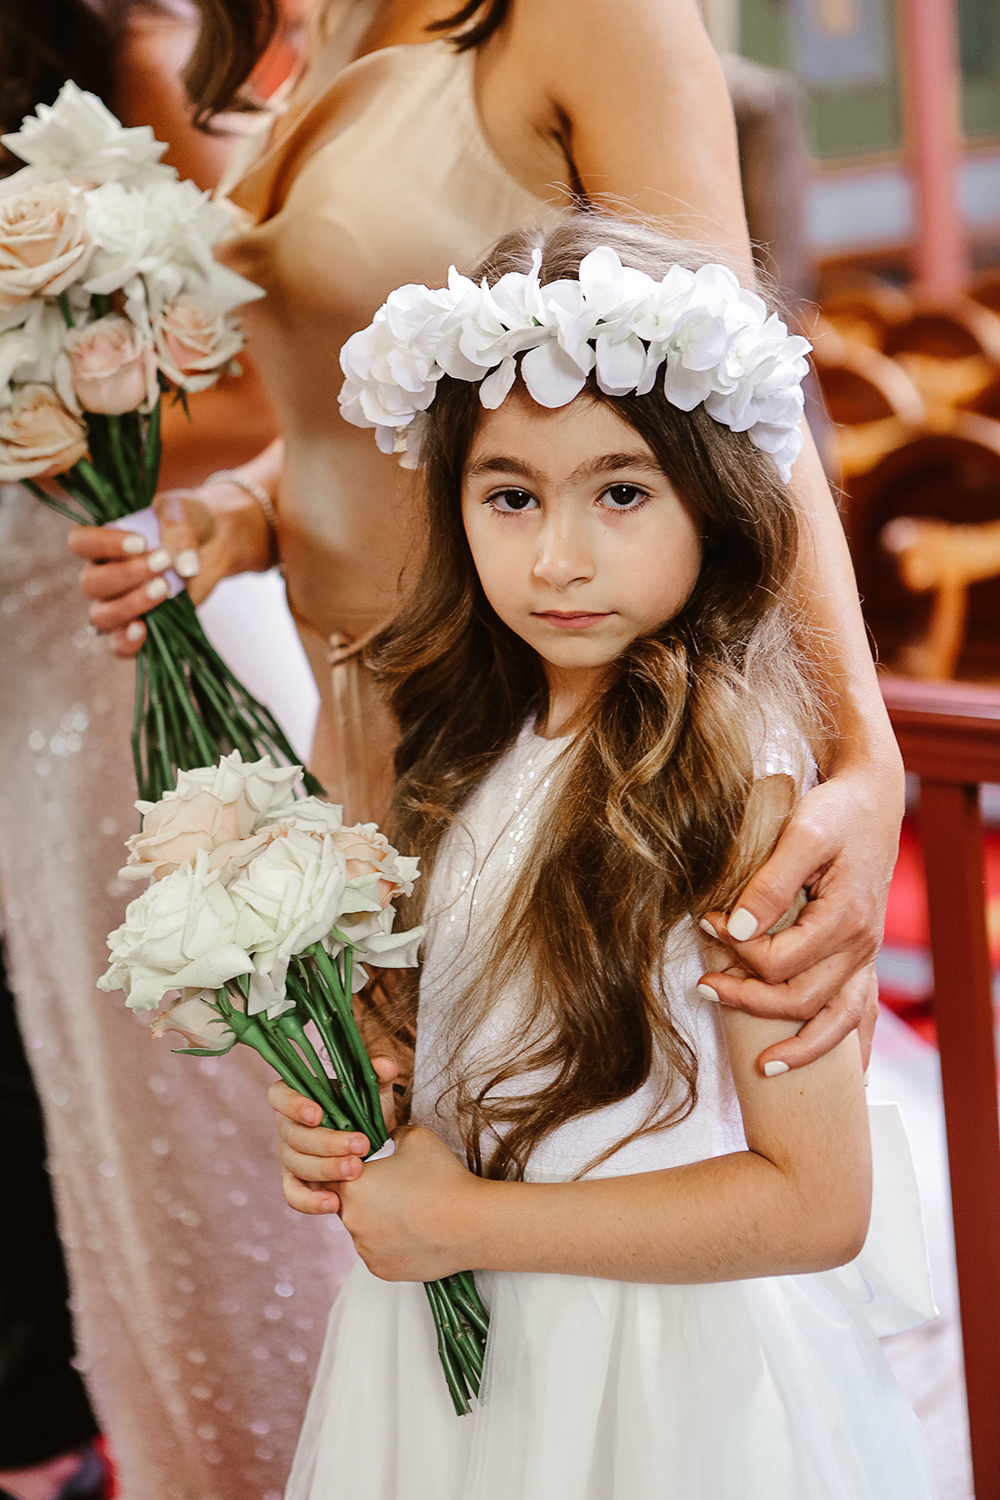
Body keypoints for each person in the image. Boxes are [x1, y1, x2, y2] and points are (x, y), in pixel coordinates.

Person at [72, 0, 902, 1081]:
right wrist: (246, 509)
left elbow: (733, 391)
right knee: (411, 1181)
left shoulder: (592, 19)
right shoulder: (333, 25)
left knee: (578, 1159)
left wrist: (861, 759)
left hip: (541, 721)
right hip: (366, 720)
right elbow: (408, 399)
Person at [268, 217, 936, 1499]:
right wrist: (357, 1109)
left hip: (658, 1379)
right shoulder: (462, 738)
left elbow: (815, 1205)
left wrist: (470, 1221)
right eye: (510, 496)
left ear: (717, 501)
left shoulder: (741, 785)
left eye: (620, 493)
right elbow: (464, 1054)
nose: (558, 558)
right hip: (462, 1358)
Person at [0, 4, 348, 1498]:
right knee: (123, 1162)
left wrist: (41, 422)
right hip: (30, 715)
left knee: (240, 1110)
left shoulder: (124, 39)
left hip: (149, 664)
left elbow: (281, 376)